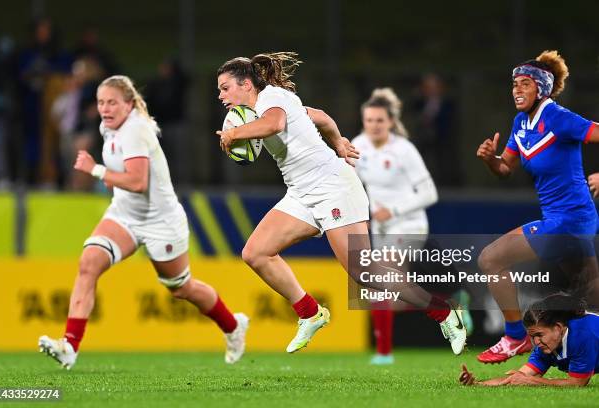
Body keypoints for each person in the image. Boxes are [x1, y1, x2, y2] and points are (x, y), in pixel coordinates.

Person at [215, 52, 467, 354]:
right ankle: (310, 313)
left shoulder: (272, 98)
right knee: (255, 253)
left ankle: (443, 310)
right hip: (301, 192)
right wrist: (336, 141)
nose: (221, 95)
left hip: (333, 187)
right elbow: (320, 115)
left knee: (365, 273)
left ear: (246, 84)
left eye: (225, 87)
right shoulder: (262, 107)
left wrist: (234, 134)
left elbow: (276, 123)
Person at [39, 75, 249, 369]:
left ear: (128, 104)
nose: (105, 108)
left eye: (112, 102)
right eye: (101, 102)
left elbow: (138, 182)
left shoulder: (135, 130)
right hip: (125, 214)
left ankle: (232, 325)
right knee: (89, 263)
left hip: (160, 220)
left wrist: (96, 170)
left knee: (181, 288)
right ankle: (69, 346)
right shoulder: (108, 126)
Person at [476, 50, 599, 364]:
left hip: (570, 221)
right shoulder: (521, 123)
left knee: (490, 260)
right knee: (590, 299)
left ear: (541, 88)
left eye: (525, 83)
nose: (517, 89)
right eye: (514, 83)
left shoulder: (558, 117)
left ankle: (515, 337)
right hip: (568, 222)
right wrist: (492, 160)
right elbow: (506, 169)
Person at [352, 88, 438, 364]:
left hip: (409, 223)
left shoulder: (404, 150)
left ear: (390, 121)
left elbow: (429, 194)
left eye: (379, 120)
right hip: (381, 228)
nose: (374, 125)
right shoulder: (358, 146)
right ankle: (449, 303)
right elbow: (349, 186)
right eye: (369, 120)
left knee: (383, 282)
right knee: (394, 295)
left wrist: (394, 210)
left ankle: (384, 353)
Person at [460, 294, 598, 386]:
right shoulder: (544, 346)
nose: (536, 342)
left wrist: (531, 380)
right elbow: (519, 377)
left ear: (558, 328)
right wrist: (478, 384)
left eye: (539, 335)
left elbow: (577, 383)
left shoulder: (582, 335)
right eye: (532, 337)